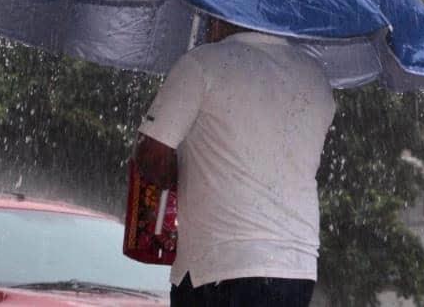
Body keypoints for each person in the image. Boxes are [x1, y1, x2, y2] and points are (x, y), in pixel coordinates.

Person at [134, 17, 336, 307]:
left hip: (220, 265)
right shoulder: (316, 78)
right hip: (296, 267)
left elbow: (151, 153)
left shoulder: (203, 63)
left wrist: (181, 175)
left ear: (219, 16)